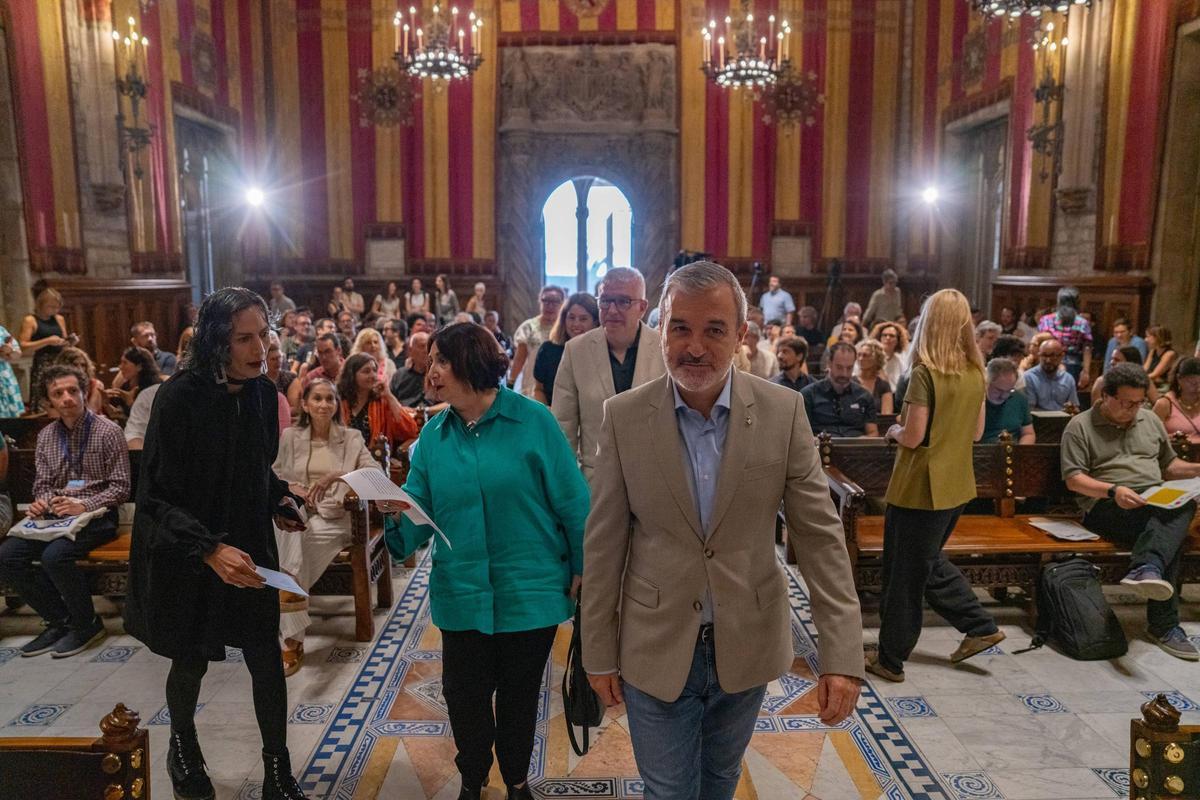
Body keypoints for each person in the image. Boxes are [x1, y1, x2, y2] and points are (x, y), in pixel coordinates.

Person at [582, 261, 863, 799]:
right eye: (680, 327)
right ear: (660, 329)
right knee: (669, 789)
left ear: (741, 334)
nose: (694, 346)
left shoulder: (783, 412)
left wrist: (842, 656)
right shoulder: (624, 417)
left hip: (746, 639)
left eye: (714, 329)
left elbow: (821, 540)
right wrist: (597, 651)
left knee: (719, 781)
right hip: (653, 640)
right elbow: (604, 545)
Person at [382, 323, 589, 800]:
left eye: (439, 360)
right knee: (464, 699)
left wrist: (584, 568)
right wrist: (390, 514)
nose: (430, 371)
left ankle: (517, 781)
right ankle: (473, 776)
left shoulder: (534, 422)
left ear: (469, 363)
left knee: (518, 702)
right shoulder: (432, 438)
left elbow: (574, 504)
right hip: (462, 593)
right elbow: (418, 509)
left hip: (529, 591)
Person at [124, 287, 312, 800]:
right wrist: (208, 549)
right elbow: (156, 498)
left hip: (247, 546)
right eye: (244, 338)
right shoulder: (178, 398)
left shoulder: (258, 393)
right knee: (192, 658)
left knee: (265, 657)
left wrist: (279, 500)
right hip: (188, 552)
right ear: (215, 342)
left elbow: (254, 470)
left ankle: (279, 771)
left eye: (263, 335)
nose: (260, 349)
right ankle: (182, 745)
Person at [867, 289, 1003, 683]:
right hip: (956, 485)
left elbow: (912, 436)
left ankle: (891, 660)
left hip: (919, 487)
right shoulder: (977, 372)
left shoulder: (925, 373)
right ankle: (979, 626)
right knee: (922, 564)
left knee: (904, 574)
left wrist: (893, 429)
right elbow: (977, 433)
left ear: (929, 323)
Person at [1061, 363, 1200, 660]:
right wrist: (1113, 490)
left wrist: (1197, 472)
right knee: (1168, 533)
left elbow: (1170, 466)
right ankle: (1164, 625)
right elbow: (1074, 480)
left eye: (1139, 403)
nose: (1134, 409)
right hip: (1106, 505)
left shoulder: (1149, 420)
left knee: (1181, 505)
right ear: (1105, 397)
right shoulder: (1081, 426)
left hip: (1153, 500)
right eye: (1126, 403)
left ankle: (1147, 568)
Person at [0, 364, 129, 658]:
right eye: (58, 393)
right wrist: (42, 502)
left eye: (73, 390)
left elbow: (120, 488)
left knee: (54, 556)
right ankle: (59, 621)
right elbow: (43, 484)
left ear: (85, 393)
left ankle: (87, 624)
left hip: (98, 515)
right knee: (8, 556)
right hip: (56, 517)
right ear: (49, 402)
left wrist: (83, 504)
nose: (67, 398)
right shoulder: (46, 436)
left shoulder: (108, 431)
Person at [273, 379, 379, 675]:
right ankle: (291, 617)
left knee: (294, 544)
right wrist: (292, 487)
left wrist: (336, 475)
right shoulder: (290, 437)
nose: (323, 404)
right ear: (304, 404)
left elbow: (374, 473)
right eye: (316, 399)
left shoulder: (352, 437)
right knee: (290, 531)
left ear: (336, 405)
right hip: (301, 512)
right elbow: (274, 474)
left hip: (337, 519)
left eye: (329, 399)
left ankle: (291, 636)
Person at [552, 269, 666, 479]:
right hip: (596, 480)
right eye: (605, 300)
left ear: (642, 307)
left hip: (654, 477)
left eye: (623, 301)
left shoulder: (665, 349)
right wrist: (568, 485)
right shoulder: (575, 351)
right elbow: (563, 426)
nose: (612, 310)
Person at [337, 353, 418, 451]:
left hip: (375, 461)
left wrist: (389, 396)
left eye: (375, 370)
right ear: (352, 375)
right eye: (366, 371)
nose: (373, 375)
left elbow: (410, 430)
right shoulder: (339, 402)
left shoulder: (382, 402)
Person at [533, 293, 598, 406]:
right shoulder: (548, 349)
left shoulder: (602, 352)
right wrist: (547, 414)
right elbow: (538, 389)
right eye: (571, 318)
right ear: (564, 319)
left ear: (595, 322)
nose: (576, 324)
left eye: (583, 319)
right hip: (553, 417)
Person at [801, 342, 879, 437]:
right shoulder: (809, 394)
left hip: (855, 448)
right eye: (839, 367)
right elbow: (801, 433)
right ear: (829, 363)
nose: (844, 374)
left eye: (849, 368)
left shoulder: (864, 395)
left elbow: (873, 432)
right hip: (820, 448)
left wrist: (864, 440)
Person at [19, 287, 75, 412]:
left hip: (60, 361)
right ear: (41, 304)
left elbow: (64, 340)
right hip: (42, 363)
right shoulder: (30, 320)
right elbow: (22, 345)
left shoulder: (59, 319)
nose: (55, 310)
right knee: (44, 398)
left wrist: (69, 342)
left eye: (57, 307)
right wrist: (47, 341)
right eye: (51, 307)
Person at [510, 286, 564, 397]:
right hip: (532, 384)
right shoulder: (528, 327)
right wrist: (511, 383)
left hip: (560, 385)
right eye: (546, 301)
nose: (550, 306)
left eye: (555, 302)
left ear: (562, 304)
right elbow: (520, 358)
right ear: (540, 301)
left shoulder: (565, 328)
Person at [1038, 286, 1093, 387]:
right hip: (1072, 364)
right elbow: (1087, 348)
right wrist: (1086, 371)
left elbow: (1040, 343)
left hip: (1048, 361)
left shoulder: (1046, 320)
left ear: (1058, 301)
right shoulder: (1083, 323)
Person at [981, 358, 1035, 444]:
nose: (1003, 396)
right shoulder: (976, 400)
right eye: (999, 390)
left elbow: (1028, 433)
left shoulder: (1019, 399)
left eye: (1009, 390)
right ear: (987, 382)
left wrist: (1020, 452)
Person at [1153, 356, 1200, 444]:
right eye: (1192, 382)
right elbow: (1152, 437)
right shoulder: (1164, 404)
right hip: (1175, 453)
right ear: (1179, 379)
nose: (1197, 387)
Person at [1024, 338, 1080, 411]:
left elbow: (1074, 406)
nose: (1048, 360)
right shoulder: (1029, 377)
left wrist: (1072, 409)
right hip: (1039, 420)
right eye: (1044, 355)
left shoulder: (1068, 379)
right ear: (1039, 355)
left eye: (1053, 356)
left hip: (1063, 419)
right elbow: (1030, 409)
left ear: (1061, 356)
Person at [1092, 345, 1157, 405]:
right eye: (1112, 359)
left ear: (1130, 363)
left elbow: (1156, 403)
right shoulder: (1101, 382)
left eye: (1117, 360)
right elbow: (1096, 410)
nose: (1112, 362)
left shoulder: (1144, 379)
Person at [55, 347, 107, 416]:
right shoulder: (56, 386)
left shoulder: (95, 384)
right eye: (75, 365)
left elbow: (90, 414)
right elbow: (56, 415)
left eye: (83, 365)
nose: (80, 369)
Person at [389, 331, 432, 407]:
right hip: (403, 415)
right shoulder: (399, 375)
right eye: (422, 346)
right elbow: (390, 401)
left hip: (433, 416)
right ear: (410, 351)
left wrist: (424, 411)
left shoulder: (437, 375)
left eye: (429, 347)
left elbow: (449, 403)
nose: (426, 351)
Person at [853, 338, 894, 415]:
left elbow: (886, 416)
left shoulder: (883, 385)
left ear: (876, 358)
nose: (861, 359)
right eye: (859, 355)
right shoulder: (850, 382)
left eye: (865, 355)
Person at [870, 320, 909, 387]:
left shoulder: (901, 361)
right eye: (884, 335)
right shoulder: (870, 358)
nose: (888, 338)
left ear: (898, 340)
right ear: (879, 338)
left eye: (892, 336)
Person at [0, 323, 25, 417]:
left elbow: (17, 354)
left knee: (10, 421)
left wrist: (10, 351)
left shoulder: (1, 330)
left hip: (4, 377)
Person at [1144, 325, 1177, 392]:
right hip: (1151, 383)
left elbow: (1155, 374)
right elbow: (1145, 369)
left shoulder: (1169, 354)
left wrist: (1138, 378)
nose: (1145, 340)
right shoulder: (1153, 351)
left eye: (1148, 337)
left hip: (1164, 387)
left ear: (1158, 337)